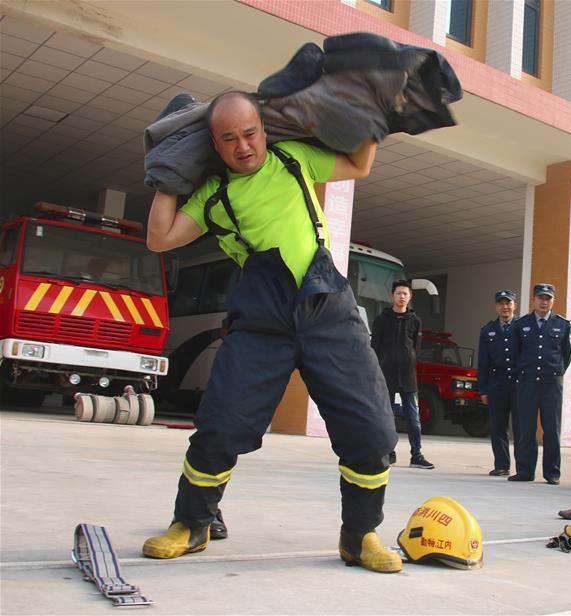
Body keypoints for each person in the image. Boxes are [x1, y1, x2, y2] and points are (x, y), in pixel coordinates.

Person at [142, 91, 402, 573]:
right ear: (214, 146)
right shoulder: (213, 195)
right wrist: (168, 174)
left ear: (263, 130)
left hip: (329, 307)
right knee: (221, 423)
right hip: (262, 319)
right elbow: (160, 237)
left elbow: (358, 164)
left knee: (371, 428)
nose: (243, 146)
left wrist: (370, 111)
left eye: (249, 133)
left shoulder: (293, 157)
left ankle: (360, 535)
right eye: (228, 139)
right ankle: (192, 524)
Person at [508, 283, 571, 484]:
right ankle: (525, 471)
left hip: (551, 384)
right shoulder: (521, 324)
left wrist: (555, 372)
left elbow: (567, 355)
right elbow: (514, 353)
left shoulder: (563, 324)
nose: (544, 302)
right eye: (540, 298)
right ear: (534, 300)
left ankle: (552, 472)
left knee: (551, 429)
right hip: (527, 383)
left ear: (553, 301)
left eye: (548, 298)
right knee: (526, 428)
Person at [371, 280, 434, 470]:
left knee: (414, 419)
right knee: (386, 417)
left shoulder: (415, 321)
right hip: (386, 377)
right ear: (392, 296)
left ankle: (417, 455)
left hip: (408, 379)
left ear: (410, 296)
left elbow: (416, 347)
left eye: (405, 293)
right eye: (398, 293)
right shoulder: (381, 320)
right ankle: (389, 453)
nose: (402, 296)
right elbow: (374, 349)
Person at [477, 290, 519, 476]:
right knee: (498, 426)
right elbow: (483, 362)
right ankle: (502, 465)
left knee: (521, 427)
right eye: (501, 303)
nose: (505, 307)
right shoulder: (488, 330)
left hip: (519, 383)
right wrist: (483, 389)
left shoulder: (523, 326)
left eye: (508, 303)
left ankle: (524, 468)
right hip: (497, 382)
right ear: (496, 306)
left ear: (514, 305)